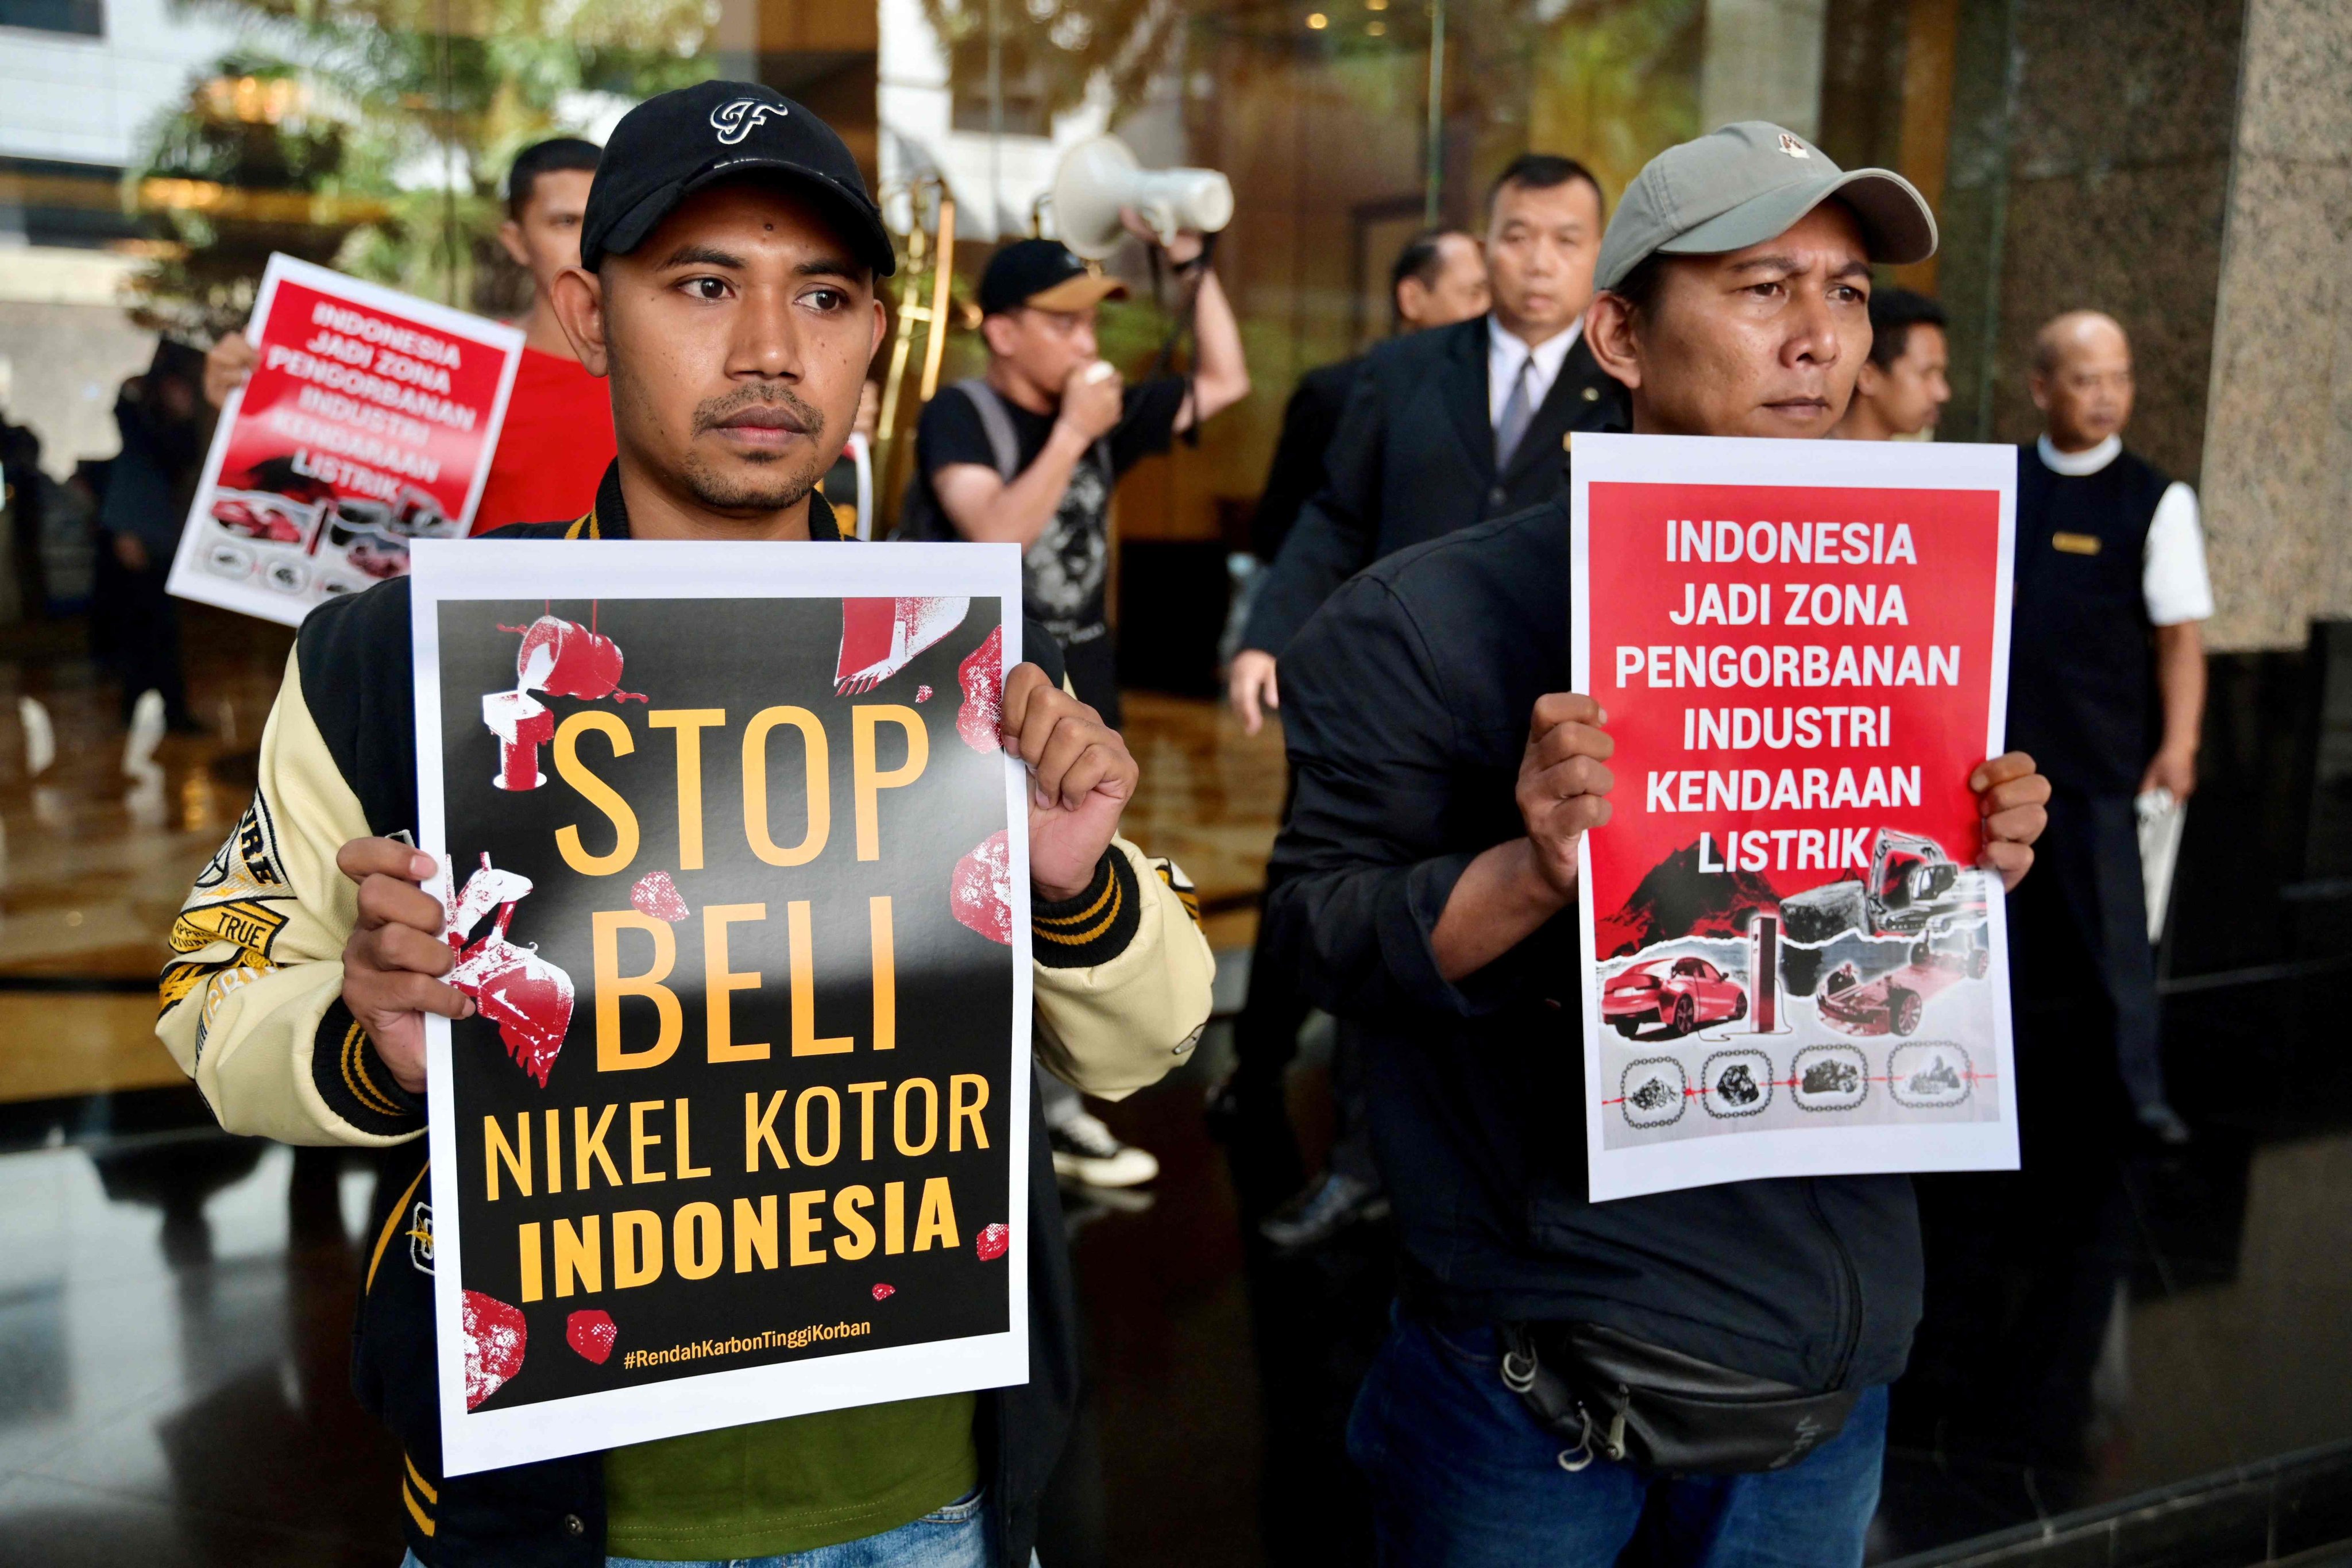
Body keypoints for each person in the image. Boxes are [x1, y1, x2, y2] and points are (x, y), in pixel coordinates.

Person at [155, 81, 1214, 1568]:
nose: (770, 351)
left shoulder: (945, 662)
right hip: (559, 1513)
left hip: (931, 1502)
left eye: (824, 296)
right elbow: (215, 991)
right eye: (704, 286)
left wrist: (1074, 889)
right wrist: (371, 1039)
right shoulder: (392, 663)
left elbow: (1150, 1034)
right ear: (588, 313)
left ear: (872, 336)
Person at [1264, 122, 2053, 1565]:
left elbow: (1894, 954)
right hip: (1536, 1397)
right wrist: (1535, 869)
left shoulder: (1910, 610)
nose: (1821, 339)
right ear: (1621, 333)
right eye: (1763, 289)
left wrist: (1973, 859)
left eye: (1849, 294)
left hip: (1828, 1382)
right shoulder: (1419, 621)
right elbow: (1317, 931)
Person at [1222, 227, 1489, 1252]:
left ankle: (1400, 1157)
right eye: (1470, 275)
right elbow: (1312, 516)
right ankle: (1272, 1083)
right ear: (1414, 298)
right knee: (1328, 899)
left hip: (1496, 715)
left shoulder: (1594, 392)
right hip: (1363, 693)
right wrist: (1269, 636)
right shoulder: (1366, 384)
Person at [1229, 153, 1629, 736]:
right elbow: (1337, 516)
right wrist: (1267, 637)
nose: (1540, 264)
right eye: (1518, 237)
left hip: (1548, 712)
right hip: (1393, 692)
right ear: (1484, 245)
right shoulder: (1401, 370)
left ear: (1599, 254)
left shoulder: (1627, 389)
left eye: (1567, 241)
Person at [898, 231, 1250, 730]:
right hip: (982, 693)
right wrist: (1074, 432)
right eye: (1065, 325)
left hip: (1085, 682)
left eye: (1090, 324)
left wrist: (1191, 262)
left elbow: (1225, 380)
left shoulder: (1101, 411)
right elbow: (996, 540)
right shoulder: (958, 414)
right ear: (1002, 336)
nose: (1088, 344)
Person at [2006, 309, 2209, 1146]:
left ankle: (2139, 1095)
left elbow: (2179, 638)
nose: (2104, 396)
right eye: (2085, 378)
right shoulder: (2003, 479)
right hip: (2001, 763)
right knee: (1996, 947)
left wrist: (2179, 744)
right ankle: (1980, 1095)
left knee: (2117, 947)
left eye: (2118, 376)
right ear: (2041, 387)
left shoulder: (2154, 499)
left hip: (2098, 763)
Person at [202, 137, 617, 535]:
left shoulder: (663, 368)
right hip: (493, 609)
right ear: (516, 242)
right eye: (565, 222)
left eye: (600, 219)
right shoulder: (459, 373)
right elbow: (342, 476)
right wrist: (246, 401)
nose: (588, 239)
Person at [96, 340, 211, 729]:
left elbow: (181, 458)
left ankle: (161, 711)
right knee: (143, 625)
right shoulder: (138, 413)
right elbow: (138, 453)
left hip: (158, 535)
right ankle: (152, 711)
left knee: (158, 627)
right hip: (136, 533)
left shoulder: (171, 422)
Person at [1831, 287, 1949, 442]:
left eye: (1941, 375)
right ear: (1867, 376)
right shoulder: (1808, 460)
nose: (1942, 393)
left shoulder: (1911, 463)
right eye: (1926, 374)